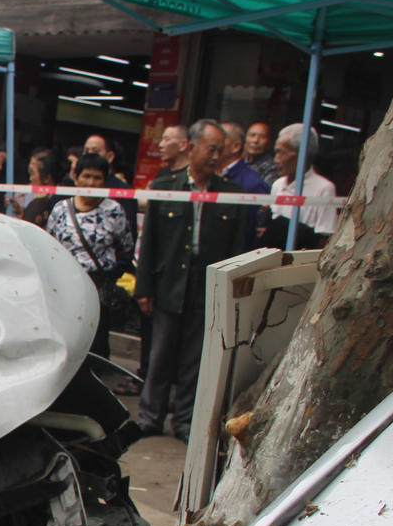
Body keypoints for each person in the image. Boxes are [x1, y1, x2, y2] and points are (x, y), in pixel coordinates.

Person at [133, 119, 250, 442]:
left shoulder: (231, 194)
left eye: (220, 151)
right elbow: (150, 242)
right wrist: (144, 287)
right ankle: (150, 416)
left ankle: (183, 419)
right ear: (191, 147)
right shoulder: (165, 186)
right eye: (211, 149)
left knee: (193, 360)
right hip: (168, 283)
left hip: (206, 286)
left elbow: (237, 248)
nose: (215, 156)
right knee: (160, 356)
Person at [47, 152, 134, 358]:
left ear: (105, 181)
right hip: (64, 286)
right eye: (86, 176)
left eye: (97, 178)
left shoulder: (114, 211)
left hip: (97, 288)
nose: (91, 182)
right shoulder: (61, 209)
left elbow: (125, 246)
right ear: (76, 178)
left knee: (95, 342)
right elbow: (49, 244)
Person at [265, 123, 339, 248]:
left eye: (281, 153)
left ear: (301, 155)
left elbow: (324, 238)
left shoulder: (324, 188)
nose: (276, 159)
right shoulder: (278, 184)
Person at [220, 121, 270, 240]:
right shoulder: (212, 176)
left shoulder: (252, 184)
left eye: (220, 139)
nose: (213, 144)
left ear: (236, 146)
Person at [21, 150, 63, 226]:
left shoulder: (58, 204)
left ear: (47, 178)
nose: (30, 179)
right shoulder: (33, 195)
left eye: (32, 173)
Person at [244, 121, 279, 185]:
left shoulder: (272, 167)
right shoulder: (241, 163)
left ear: (270, 142)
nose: (255, 140)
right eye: (252, 135)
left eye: (262, 137)